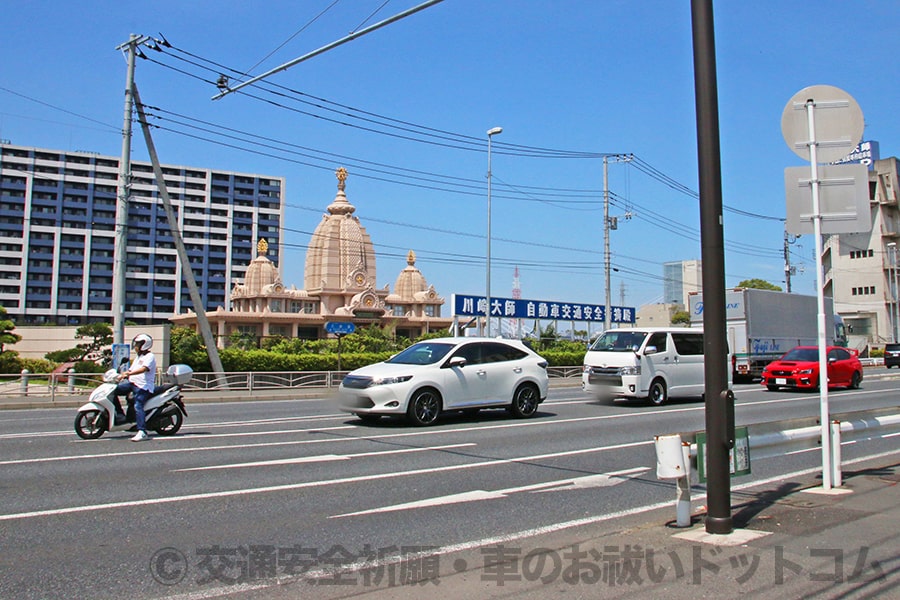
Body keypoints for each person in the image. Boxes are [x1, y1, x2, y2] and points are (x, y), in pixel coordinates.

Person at [117, 333, 157, 442]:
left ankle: (142, 431)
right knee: (114, 391)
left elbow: (143, 369)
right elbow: (131, 370)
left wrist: (129, 374)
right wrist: (121, 375)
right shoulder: (139, 357)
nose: (135, 346)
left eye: (138, 344)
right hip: (133, 384)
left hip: (143, 387)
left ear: (144, 345)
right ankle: (119, 416)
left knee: (138, 405)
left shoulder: (150, 356)